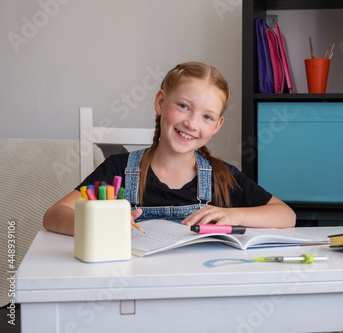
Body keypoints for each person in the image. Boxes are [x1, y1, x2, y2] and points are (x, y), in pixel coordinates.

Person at [43, 61, 296, 236]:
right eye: (184, 106)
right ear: (161, 102)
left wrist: (234, 216)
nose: (191, 123)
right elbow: (54, 215)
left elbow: (286, 215)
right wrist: (99, 224)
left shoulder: (223, 177)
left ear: (217, 126)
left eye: (207, 117)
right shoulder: (117, 170)